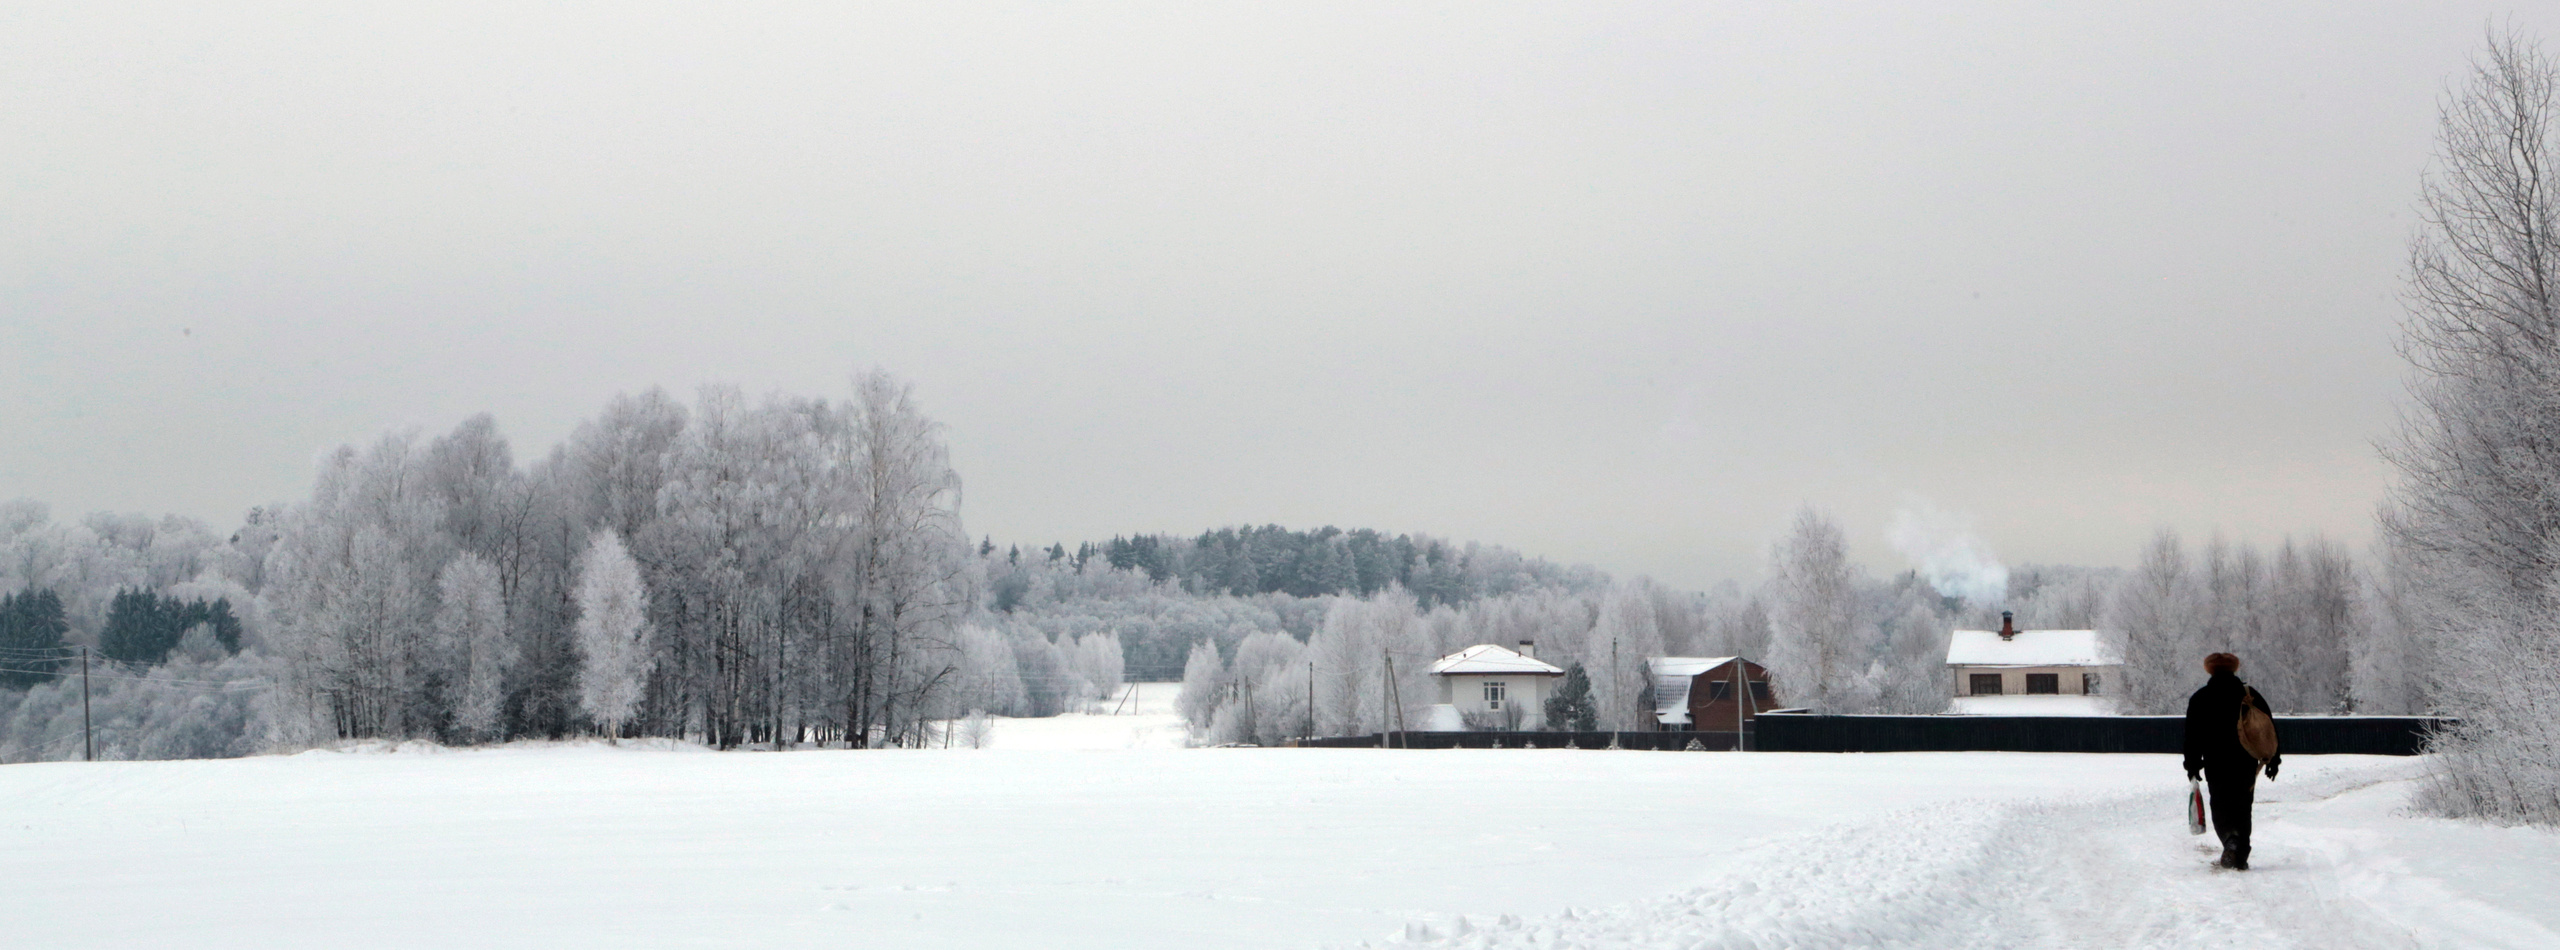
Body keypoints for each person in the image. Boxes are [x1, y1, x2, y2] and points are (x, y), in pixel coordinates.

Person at [2183, 652, 2280, 870]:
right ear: (2234, 668)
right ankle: (2240, 854)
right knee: (2243, 806)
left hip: (2216, 761)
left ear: (2210, 669)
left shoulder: (2201, 697)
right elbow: (2268, 728)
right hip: (2245, 759)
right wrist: (2274, 759)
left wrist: (2192, 764)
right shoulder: (2249, 694)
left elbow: (2192, 735)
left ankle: (2230, 841)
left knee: (2220, 805)